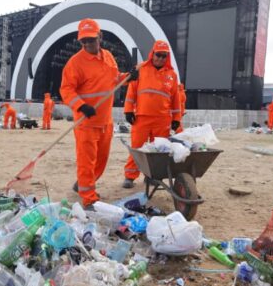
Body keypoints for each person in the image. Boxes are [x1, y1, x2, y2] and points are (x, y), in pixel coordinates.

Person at [60, 18, 137, 207]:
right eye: (83, 41)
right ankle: (88, 199)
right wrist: (81, 105)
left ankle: (84, 184)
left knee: (100, 162)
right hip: (86, 122)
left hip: (105, 121)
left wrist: (129, 77)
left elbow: (115, 79)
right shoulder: (75, 63)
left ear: (100, 37)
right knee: (87, 162)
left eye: (91, 40)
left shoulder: (109, 57)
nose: (87, 44)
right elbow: (66, 89)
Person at [122, 40, 182, 188]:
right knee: (137, 148)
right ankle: (130, 176)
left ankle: (152, 176)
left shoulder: (172, 75)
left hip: (162, 120)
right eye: (158, 55)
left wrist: (176, 119)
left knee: (158, 152)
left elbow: (176, 100)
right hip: (141, 118)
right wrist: (128, 110)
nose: (160, 58)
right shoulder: (141, 69)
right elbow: (131, 92)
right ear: (152, 54)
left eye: (164, 56)